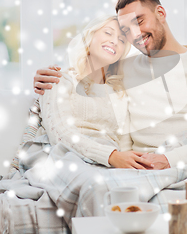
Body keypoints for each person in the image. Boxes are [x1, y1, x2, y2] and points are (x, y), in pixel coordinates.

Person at [34, 0, 187, 170]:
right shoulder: (123, 68)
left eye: (139, 21)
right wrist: (47, 75)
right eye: (126, 31)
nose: (135, 34)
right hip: (143, 164)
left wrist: (169, 160)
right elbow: (89, 69)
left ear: (161, 13)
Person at [39, 14, 152, 169]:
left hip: (110, 164)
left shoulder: (119, 93)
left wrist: (126, 162)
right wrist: (110, 156)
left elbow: (124, 142)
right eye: (108, 32)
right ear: (89, 37)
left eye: (121, 40)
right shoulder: (60, 80)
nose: (114, 41)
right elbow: (60, 134)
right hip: (68, 159)